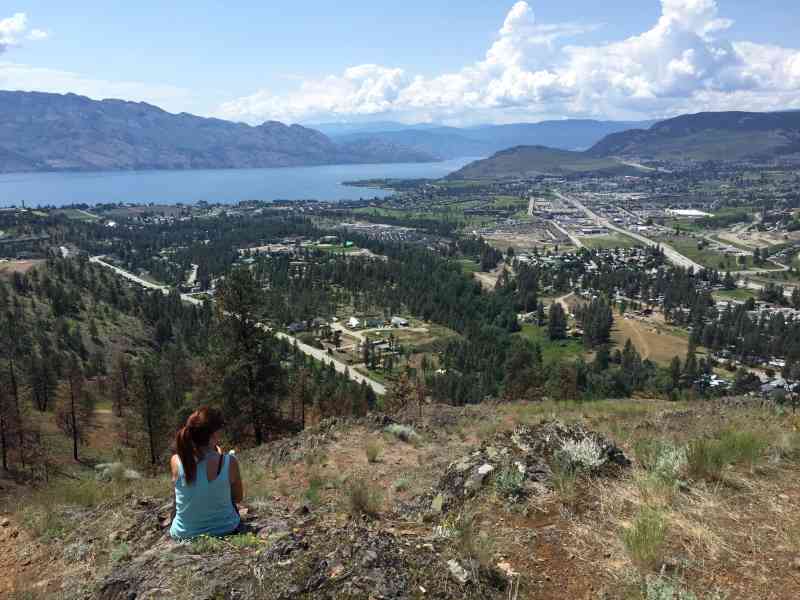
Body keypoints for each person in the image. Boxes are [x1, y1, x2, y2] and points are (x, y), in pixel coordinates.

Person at [169, 406, 243, 540]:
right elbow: (237, 497)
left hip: (184, 533)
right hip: (226, 529)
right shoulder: (229, 462)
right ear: (214, 434)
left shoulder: (176, 461)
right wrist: (220, 456)